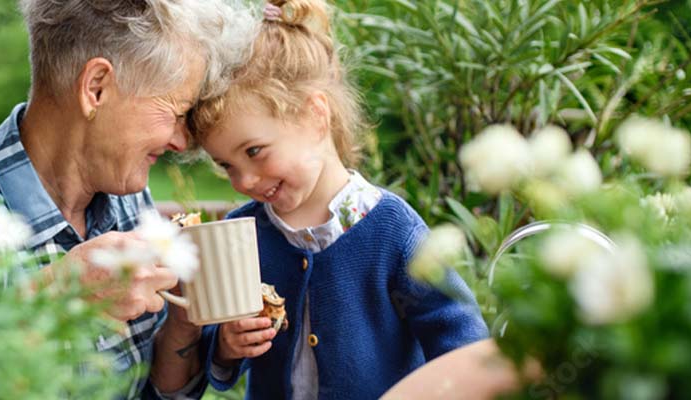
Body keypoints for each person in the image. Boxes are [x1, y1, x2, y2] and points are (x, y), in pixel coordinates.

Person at [0, 1, 256, 398]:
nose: (181, 141)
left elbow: (154, 392)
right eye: (176, 112)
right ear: (96, 88)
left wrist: (182, 322)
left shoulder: (128, 199)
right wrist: (57, 293)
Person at [187, 0, 489, 398]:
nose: (243, 180)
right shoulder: (248, 235)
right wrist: (227, 347)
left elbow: (460, 337)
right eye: (227, 166)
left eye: (255, 151)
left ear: (315, 115)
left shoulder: (392, 230)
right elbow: (217, 354)